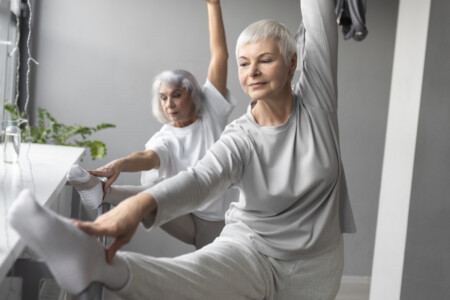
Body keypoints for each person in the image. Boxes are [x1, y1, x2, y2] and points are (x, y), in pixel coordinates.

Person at [8, 0, 356, 298]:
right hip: (252, 247)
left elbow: (319, 15)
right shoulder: (240, 136)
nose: (253, 72)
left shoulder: (317, 102)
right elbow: (200, 178)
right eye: (244, 63)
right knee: (195, 273)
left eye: (265, 60)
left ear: (292, 64)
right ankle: (100, 265)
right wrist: (139, 206)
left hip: (317, 267)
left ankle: (101, 246)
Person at [66, 0, 238, 250]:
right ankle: (102, 192)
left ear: (193, 94)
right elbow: (148, 157)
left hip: (221, 222)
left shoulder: (212, 109)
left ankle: (102, 193)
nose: (169, 103)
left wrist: (213, 5)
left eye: (177, 95)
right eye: (164, 97)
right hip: (185, 216)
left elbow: (220, 55)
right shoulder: (166, 136)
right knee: (154, 189)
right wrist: (121, 164)